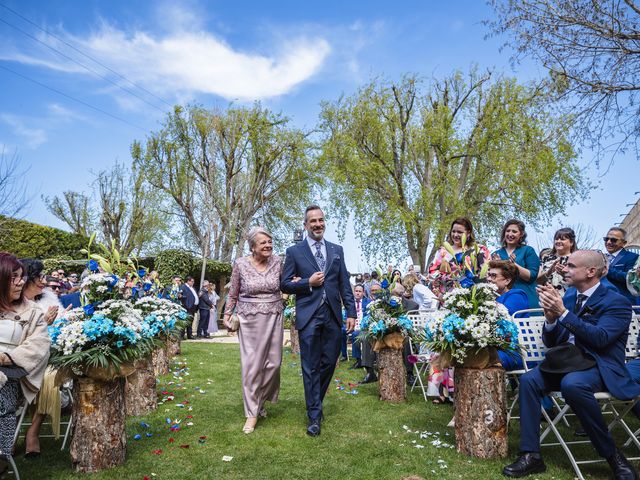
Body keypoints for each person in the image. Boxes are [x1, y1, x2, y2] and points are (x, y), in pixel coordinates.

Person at [502, 250, 640, 479]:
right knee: (528, 380)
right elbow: (551, 341)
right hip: (567, 362)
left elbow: (601, 339)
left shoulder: (616, 301)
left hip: (600, 364)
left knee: (573, 385)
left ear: (591, 272)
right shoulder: (567, 297)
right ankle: (531, 455)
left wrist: (564, 314)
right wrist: (550, 319)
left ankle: (613, 456)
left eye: (571, 266)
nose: (564, 269)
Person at [281, 205, 356, 437]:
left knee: (329, 362)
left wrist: (351, 312)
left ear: (325, 222)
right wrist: (307, 282)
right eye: (312, 221)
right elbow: (284, 284)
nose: (317, 224)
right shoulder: (294, 251)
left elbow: (344, 282)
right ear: (305, 225)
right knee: (310, 366)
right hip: (309, 314)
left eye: (321, 220)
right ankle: (314, 415)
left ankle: (315, 402)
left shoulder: (336, 250)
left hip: (333, 314)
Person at [223, 227, 284, 434]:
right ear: (252, 247)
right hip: (248, 319)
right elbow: (233, 293)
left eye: (270, 241)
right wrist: (227, 314)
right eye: (263, 243)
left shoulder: (278, 262)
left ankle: (260, 400)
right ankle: (251, 414)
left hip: (274, 315)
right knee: (252, 366)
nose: (268, 245)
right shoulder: (240, 264)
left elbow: (285, 284)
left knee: (273, 364)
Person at [0, 253, 50, 473]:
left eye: (22, 276)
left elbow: (39, 347)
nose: (21, 281)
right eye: (14, 277)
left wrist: (6, 358)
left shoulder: (32, 312)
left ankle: (1, 457)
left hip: (11, 378)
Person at [19, 259, 68, 457]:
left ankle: (33, 432)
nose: (43, 281)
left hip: (50, 355)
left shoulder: (48, 298)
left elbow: (61, 325)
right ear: (27, 280)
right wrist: (44, 324)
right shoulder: (13, 302)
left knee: (48, 379)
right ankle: (9, 437)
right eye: (39, 277)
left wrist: (63, 319)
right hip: (23, 356)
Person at [487, 260, 528, 370]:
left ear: (507, 280)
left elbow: (501, 322)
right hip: (495, 348)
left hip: (514, 351)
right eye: (489, 275)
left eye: (493, 276)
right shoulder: (490, 297)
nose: (489, 279)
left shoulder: (517, 296)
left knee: (477, 359)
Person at [429, 217, 490, 291]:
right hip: (447, 295)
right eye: (453, 231)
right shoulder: (442, 251)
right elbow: (433, 272)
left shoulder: (479, 250)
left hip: (472, 294)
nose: (455, 235)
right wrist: (448, 278)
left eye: (459, 232)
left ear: (468, 233)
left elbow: (486, 272)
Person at [493, 219, 540, 308]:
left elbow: (532, 276)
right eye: (508, 231)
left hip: (527, 300)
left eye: (514, 231)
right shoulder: (496, 254)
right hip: (502, 302)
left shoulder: (528, 250)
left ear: (521, 234)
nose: (510, 234)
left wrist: (513, 265)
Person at [537, 228, 577, 296]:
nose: (558, 241)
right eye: (556, 239)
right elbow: (538, 280)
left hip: (568, 298)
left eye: (562, 239)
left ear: (571, 242)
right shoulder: (546, 258)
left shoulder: (576, 258)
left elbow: (581, 282)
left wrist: (564, 274)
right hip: (546, 298)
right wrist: (549, 272)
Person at [603, 227, 639, 302]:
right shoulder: (601, 257)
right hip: (602, 302)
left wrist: (606, 269)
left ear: (624, 243)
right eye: (606, 239)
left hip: (622, 302)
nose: (608, 242)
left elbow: (630, 279)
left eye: (613, 240)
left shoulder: (633, 257)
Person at [342, 284, 367, 367]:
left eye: (360, 291)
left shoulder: (368, 302)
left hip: (363, 327)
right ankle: (344, 355)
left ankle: (358, 360)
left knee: (355, 334)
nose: (358, 293)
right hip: (351, 325)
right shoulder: (349, 303)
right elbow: (346, 316)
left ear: (363, 293)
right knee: (340, 331)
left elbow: (370, 317)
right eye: (356, 291)